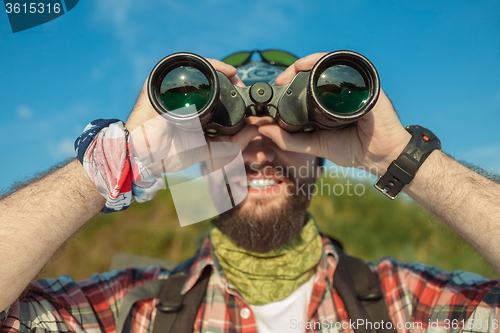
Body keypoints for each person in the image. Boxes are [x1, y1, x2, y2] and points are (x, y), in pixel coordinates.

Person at [1, 51, 500, 333]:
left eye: (291, 135)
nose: (259, 154)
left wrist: (397, 157)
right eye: (227, 139)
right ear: (195, 159)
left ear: (322, 158)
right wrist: (116, 164)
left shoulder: (408, 307)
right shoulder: (131, 311)